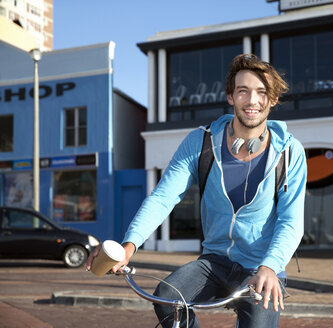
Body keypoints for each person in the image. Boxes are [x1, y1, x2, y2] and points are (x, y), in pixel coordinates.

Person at [86, 53, 307, 327]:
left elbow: (291, 221)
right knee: (167, 296)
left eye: (261, 93)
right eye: (243, 91)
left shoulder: (289, 152)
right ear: (230, 96)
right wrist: (129, 246)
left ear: (272, 100)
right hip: (214, 262)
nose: (252, 101)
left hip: (261, 265)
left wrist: (270, 267)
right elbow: (164, 197)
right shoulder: (201, 142)